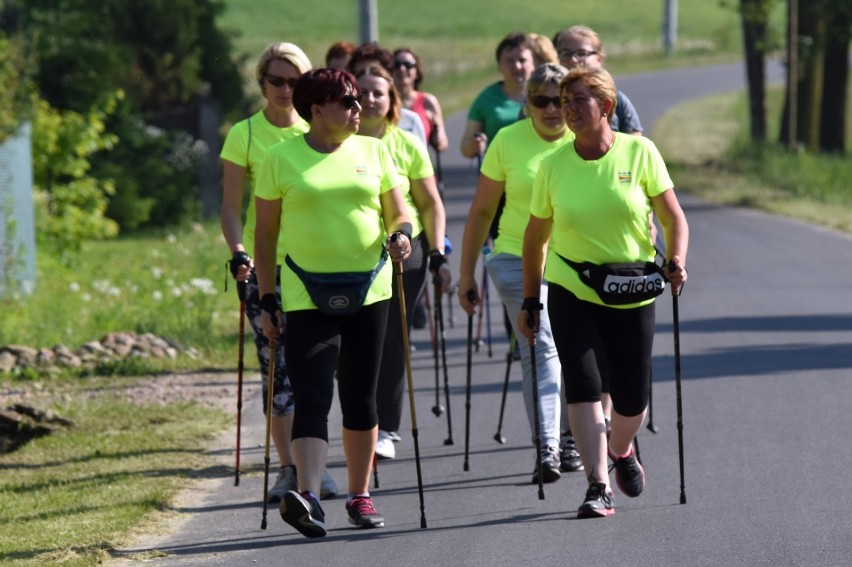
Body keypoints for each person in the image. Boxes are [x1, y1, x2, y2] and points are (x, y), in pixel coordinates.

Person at [518, 66, 688, 518]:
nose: (568, 109)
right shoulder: (552, 166)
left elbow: (673, 218)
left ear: (606, 107)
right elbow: (535, 238)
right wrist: (531, 300)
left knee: (632, 399)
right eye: (564, 100)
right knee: (584, 386)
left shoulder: (640, 152)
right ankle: (597, 486)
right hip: (573, 287)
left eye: (578, 100)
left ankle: (621, 450)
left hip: (632, 288)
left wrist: (676, 260)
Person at [254, 67, 413, 538]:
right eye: (347, 100)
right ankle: (308, 498)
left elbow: (399, 209)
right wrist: (267, 297)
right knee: (313, 395)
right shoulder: (280, 159)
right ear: (316, 108)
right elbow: (264, 236)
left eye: (359, 99)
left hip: (371, 287)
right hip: (306, 291)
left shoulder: (374, 149)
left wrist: (401, 235)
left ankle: (359, 495)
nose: (357, 107)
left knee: (361, 397)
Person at [219, 42, 337, 504]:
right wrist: (239, 251)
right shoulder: (245, 135)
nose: (285, 90)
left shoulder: (322, 130)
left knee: (319, 370)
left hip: (319, 268)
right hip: (268, 268)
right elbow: (231, 207)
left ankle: (316, 467)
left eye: (294, 81)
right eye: (276, 80)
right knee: (277, 372)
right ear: (262, 83)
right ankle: (289, 469)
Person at [458, 63, 581, 484]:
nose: (551, 109)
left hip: (572, 263)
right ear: (526, 104)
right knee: (541, 345)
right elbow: (480, 213)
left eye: (559, 100)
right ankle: (547, 446)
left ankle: (570, 434)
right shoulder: (507, 141)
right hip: (514, 258)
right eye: (540, 100)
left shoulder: (585, 141)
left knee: (574, 349)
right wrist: (466, 274)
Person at [355, 64, 449, 460]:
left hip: (403, 254)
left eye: (379, 92)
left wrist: (437, 254)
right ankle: (359, 420)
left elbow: (429, 204)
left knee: (391, 339)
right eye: (362, 91)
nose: (371, 98)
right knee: (354, 344)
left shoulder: (408, 144)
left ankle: (386, 429)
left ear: (393, 101)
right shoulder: (338, 145)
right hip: (351, 255)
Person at [553, 25, 643, 135]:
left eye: (582, 53)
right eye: (566, 54)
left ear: (599, 59)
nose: (573, 59)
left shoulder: (617, 100)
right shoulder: (544, 101)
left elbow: (634, 145)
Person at [460, 31, 535, 159]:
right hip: (498, 173)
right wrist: (474, 145)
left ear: (533, 63)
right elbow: (465, 147)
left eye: (522, 60)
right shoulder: (486, 98)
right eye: (509, 61)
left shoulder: (548, 96)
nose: (517, 66)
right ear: (499, 66)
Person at [347, 42, 427, 145]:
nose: (370, 99)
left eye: (375, 70)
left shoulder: (410, 124)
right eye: (361, 72)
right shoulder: (338, 137)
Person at [391, 47, 449, 153]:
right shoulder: (384, 102)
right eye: (397, 64)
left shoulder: (428, 102)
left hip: (419, 165)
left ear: (417, 72)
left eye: (408, 65)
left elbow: (443, 144)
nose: (402, 68)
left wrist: (438, 139)